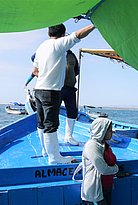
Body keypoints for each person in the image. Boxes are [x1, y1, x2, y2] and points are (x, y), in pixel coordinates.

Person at [33, 23, 95, 164]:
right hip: (51, 91)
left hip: (38, 90)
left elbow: (35, 71)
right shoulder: (59, 44)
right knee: (51, 124)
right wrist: (94, 25)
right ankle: (54, 158)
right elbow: (78, 35)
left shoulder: (41, 47)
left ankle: (45, 151)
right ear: (62, 35)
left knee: (41, 123)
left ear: (48, 34)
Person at [26, 50, 80, 146]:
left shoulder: (72, 55)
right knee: (52, 113)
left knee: (72, 111)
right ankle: (50, 140)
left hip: (70, 88)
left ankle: (69, 136)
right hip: (56, 88)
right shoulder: (53, 50)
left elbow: (76, 71)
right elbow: (34, 59)